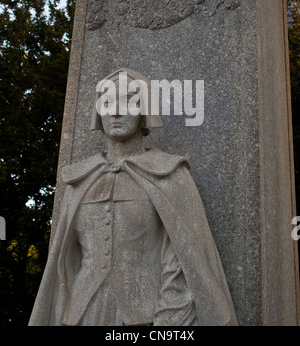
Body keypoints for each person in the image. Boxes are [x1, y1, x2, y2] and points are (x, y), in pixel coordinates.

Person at [29, 68, 237, 326]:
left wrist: (169, 318)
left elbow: (182, 260)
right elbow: (62, 263)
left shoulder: (170, 174)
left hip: (145, 316)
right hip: (80, 314)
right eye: (107, 103)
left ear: (144, 111)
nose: (115, 111)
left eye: (128, 100)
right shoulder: (78, 181)